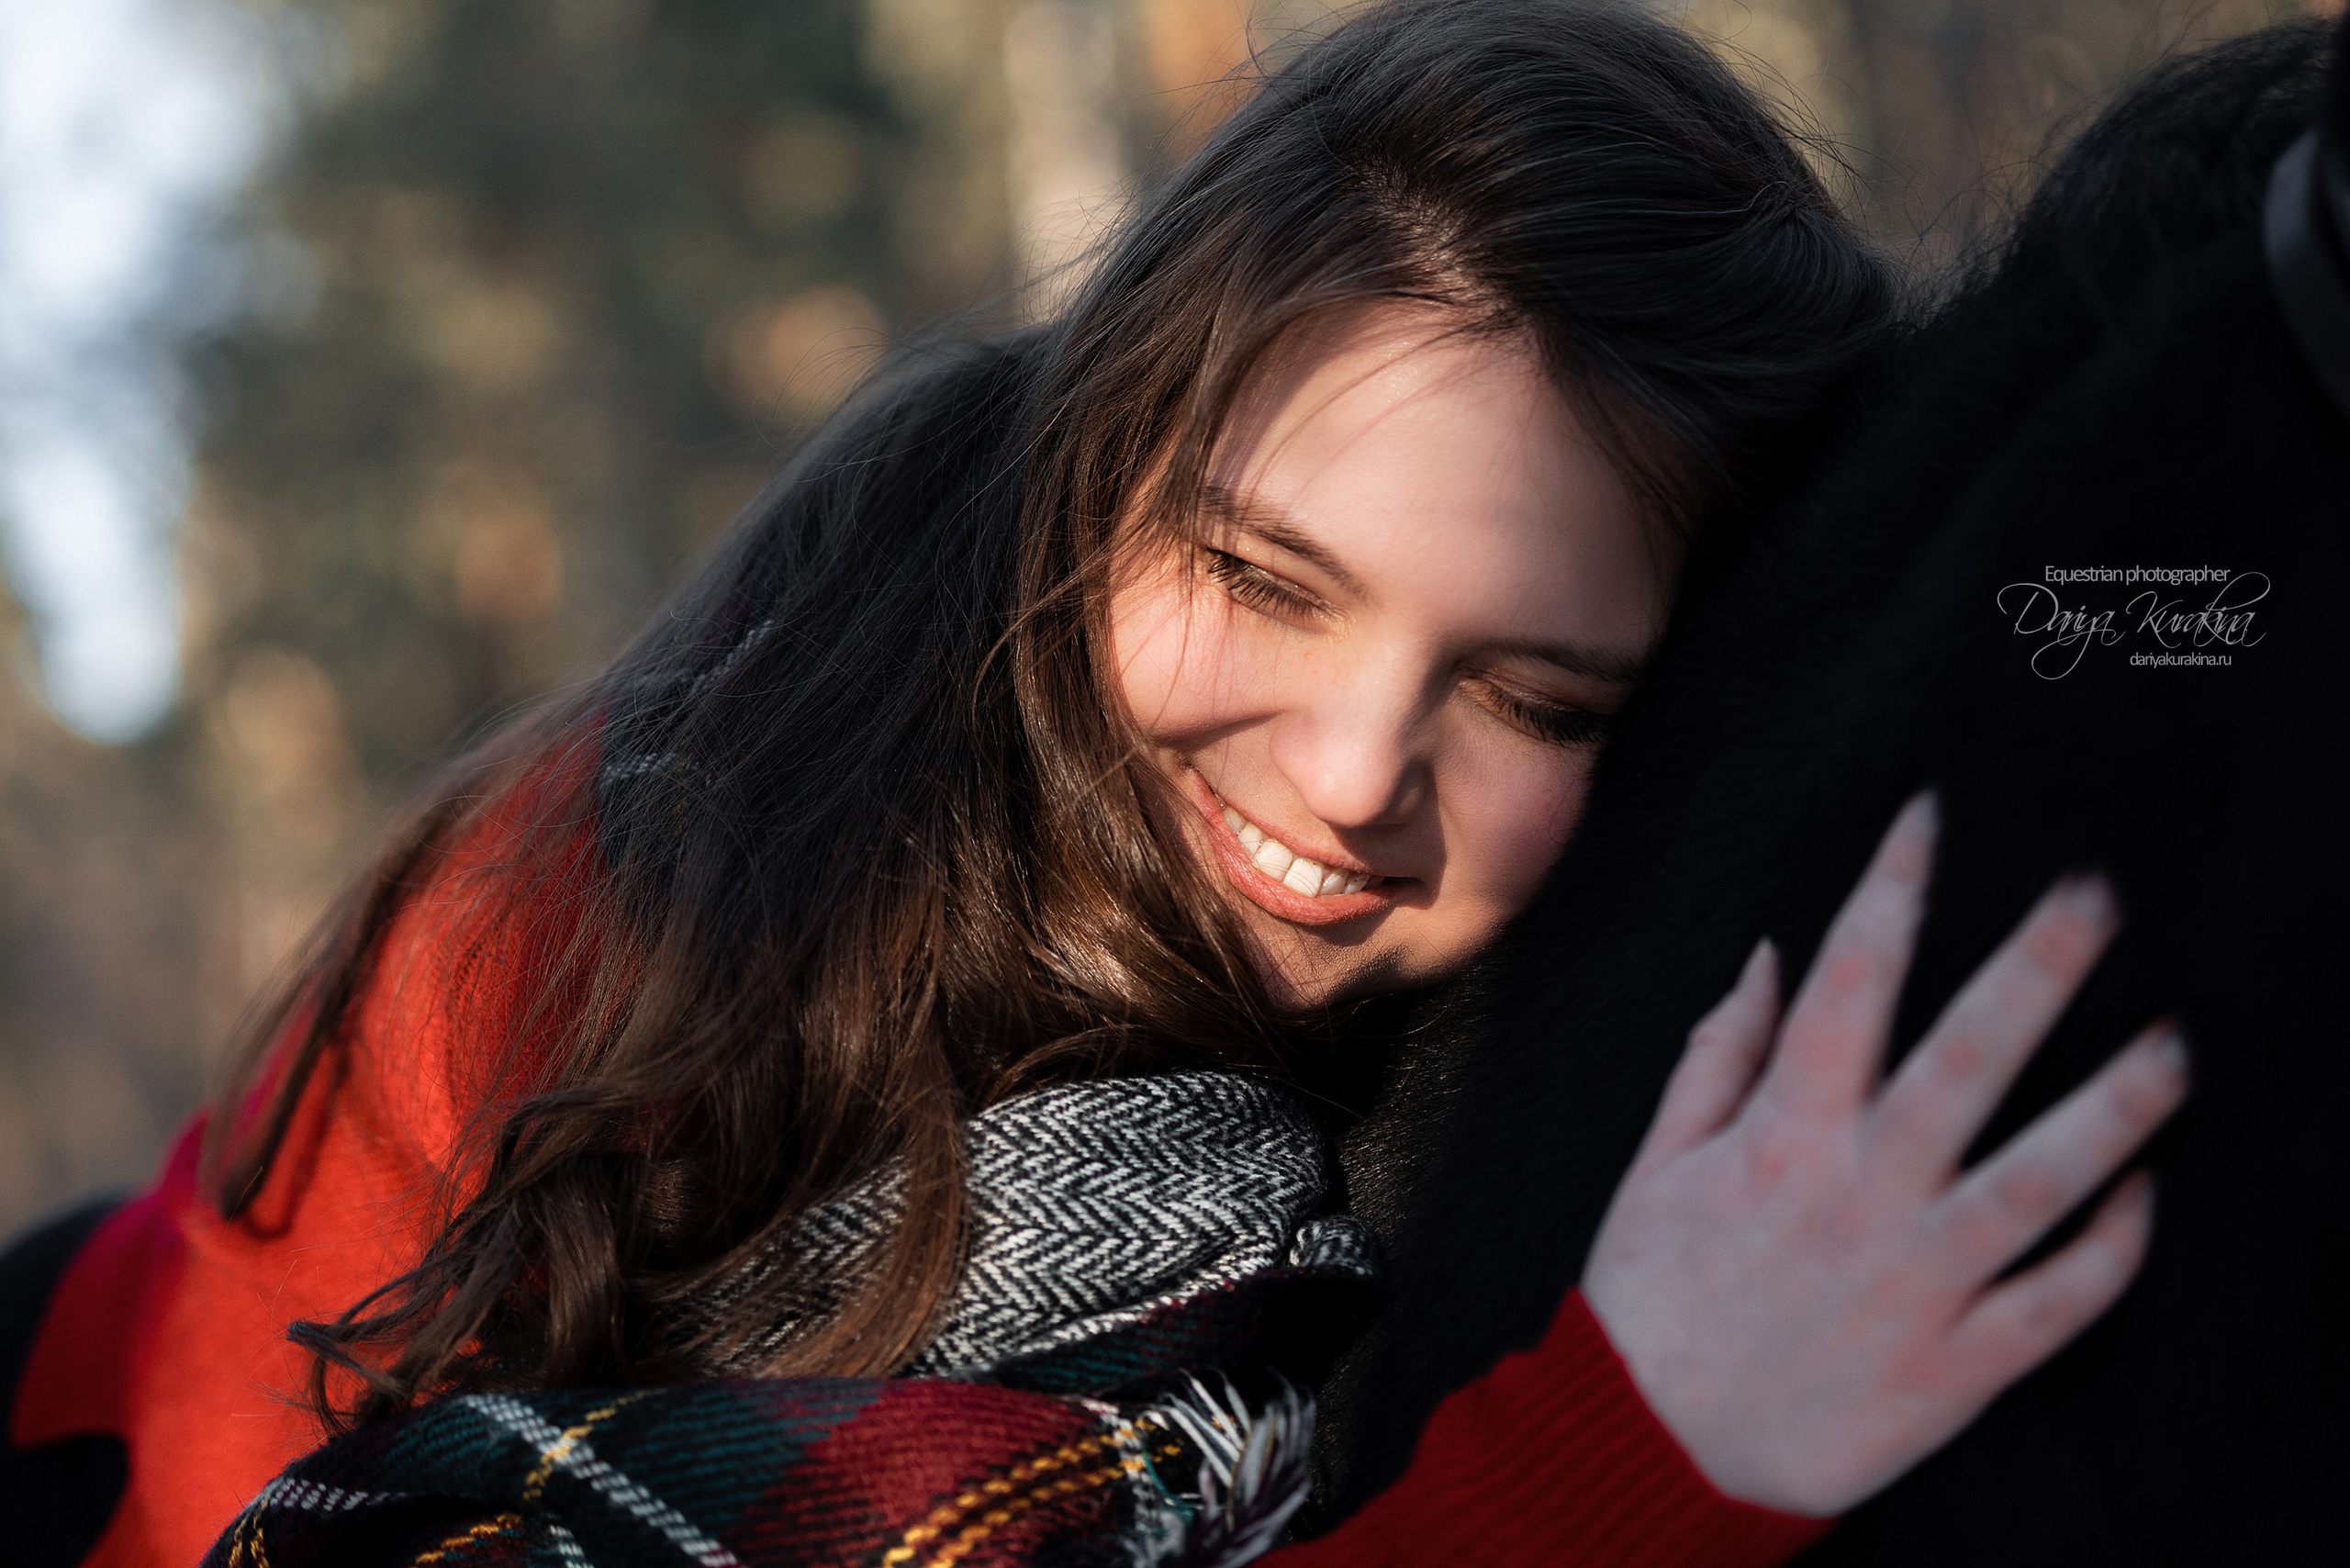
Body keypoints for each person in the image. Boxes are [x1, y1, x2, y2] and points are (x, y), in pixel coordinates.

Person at [1, 4, 2187, 1565]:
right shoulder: (613, 891)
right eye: (1258, 576)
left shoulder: (1508, 1080)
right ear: (1089, 481)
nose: (1347, 780)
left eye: (1533, 698)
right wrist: (1637, 1449)